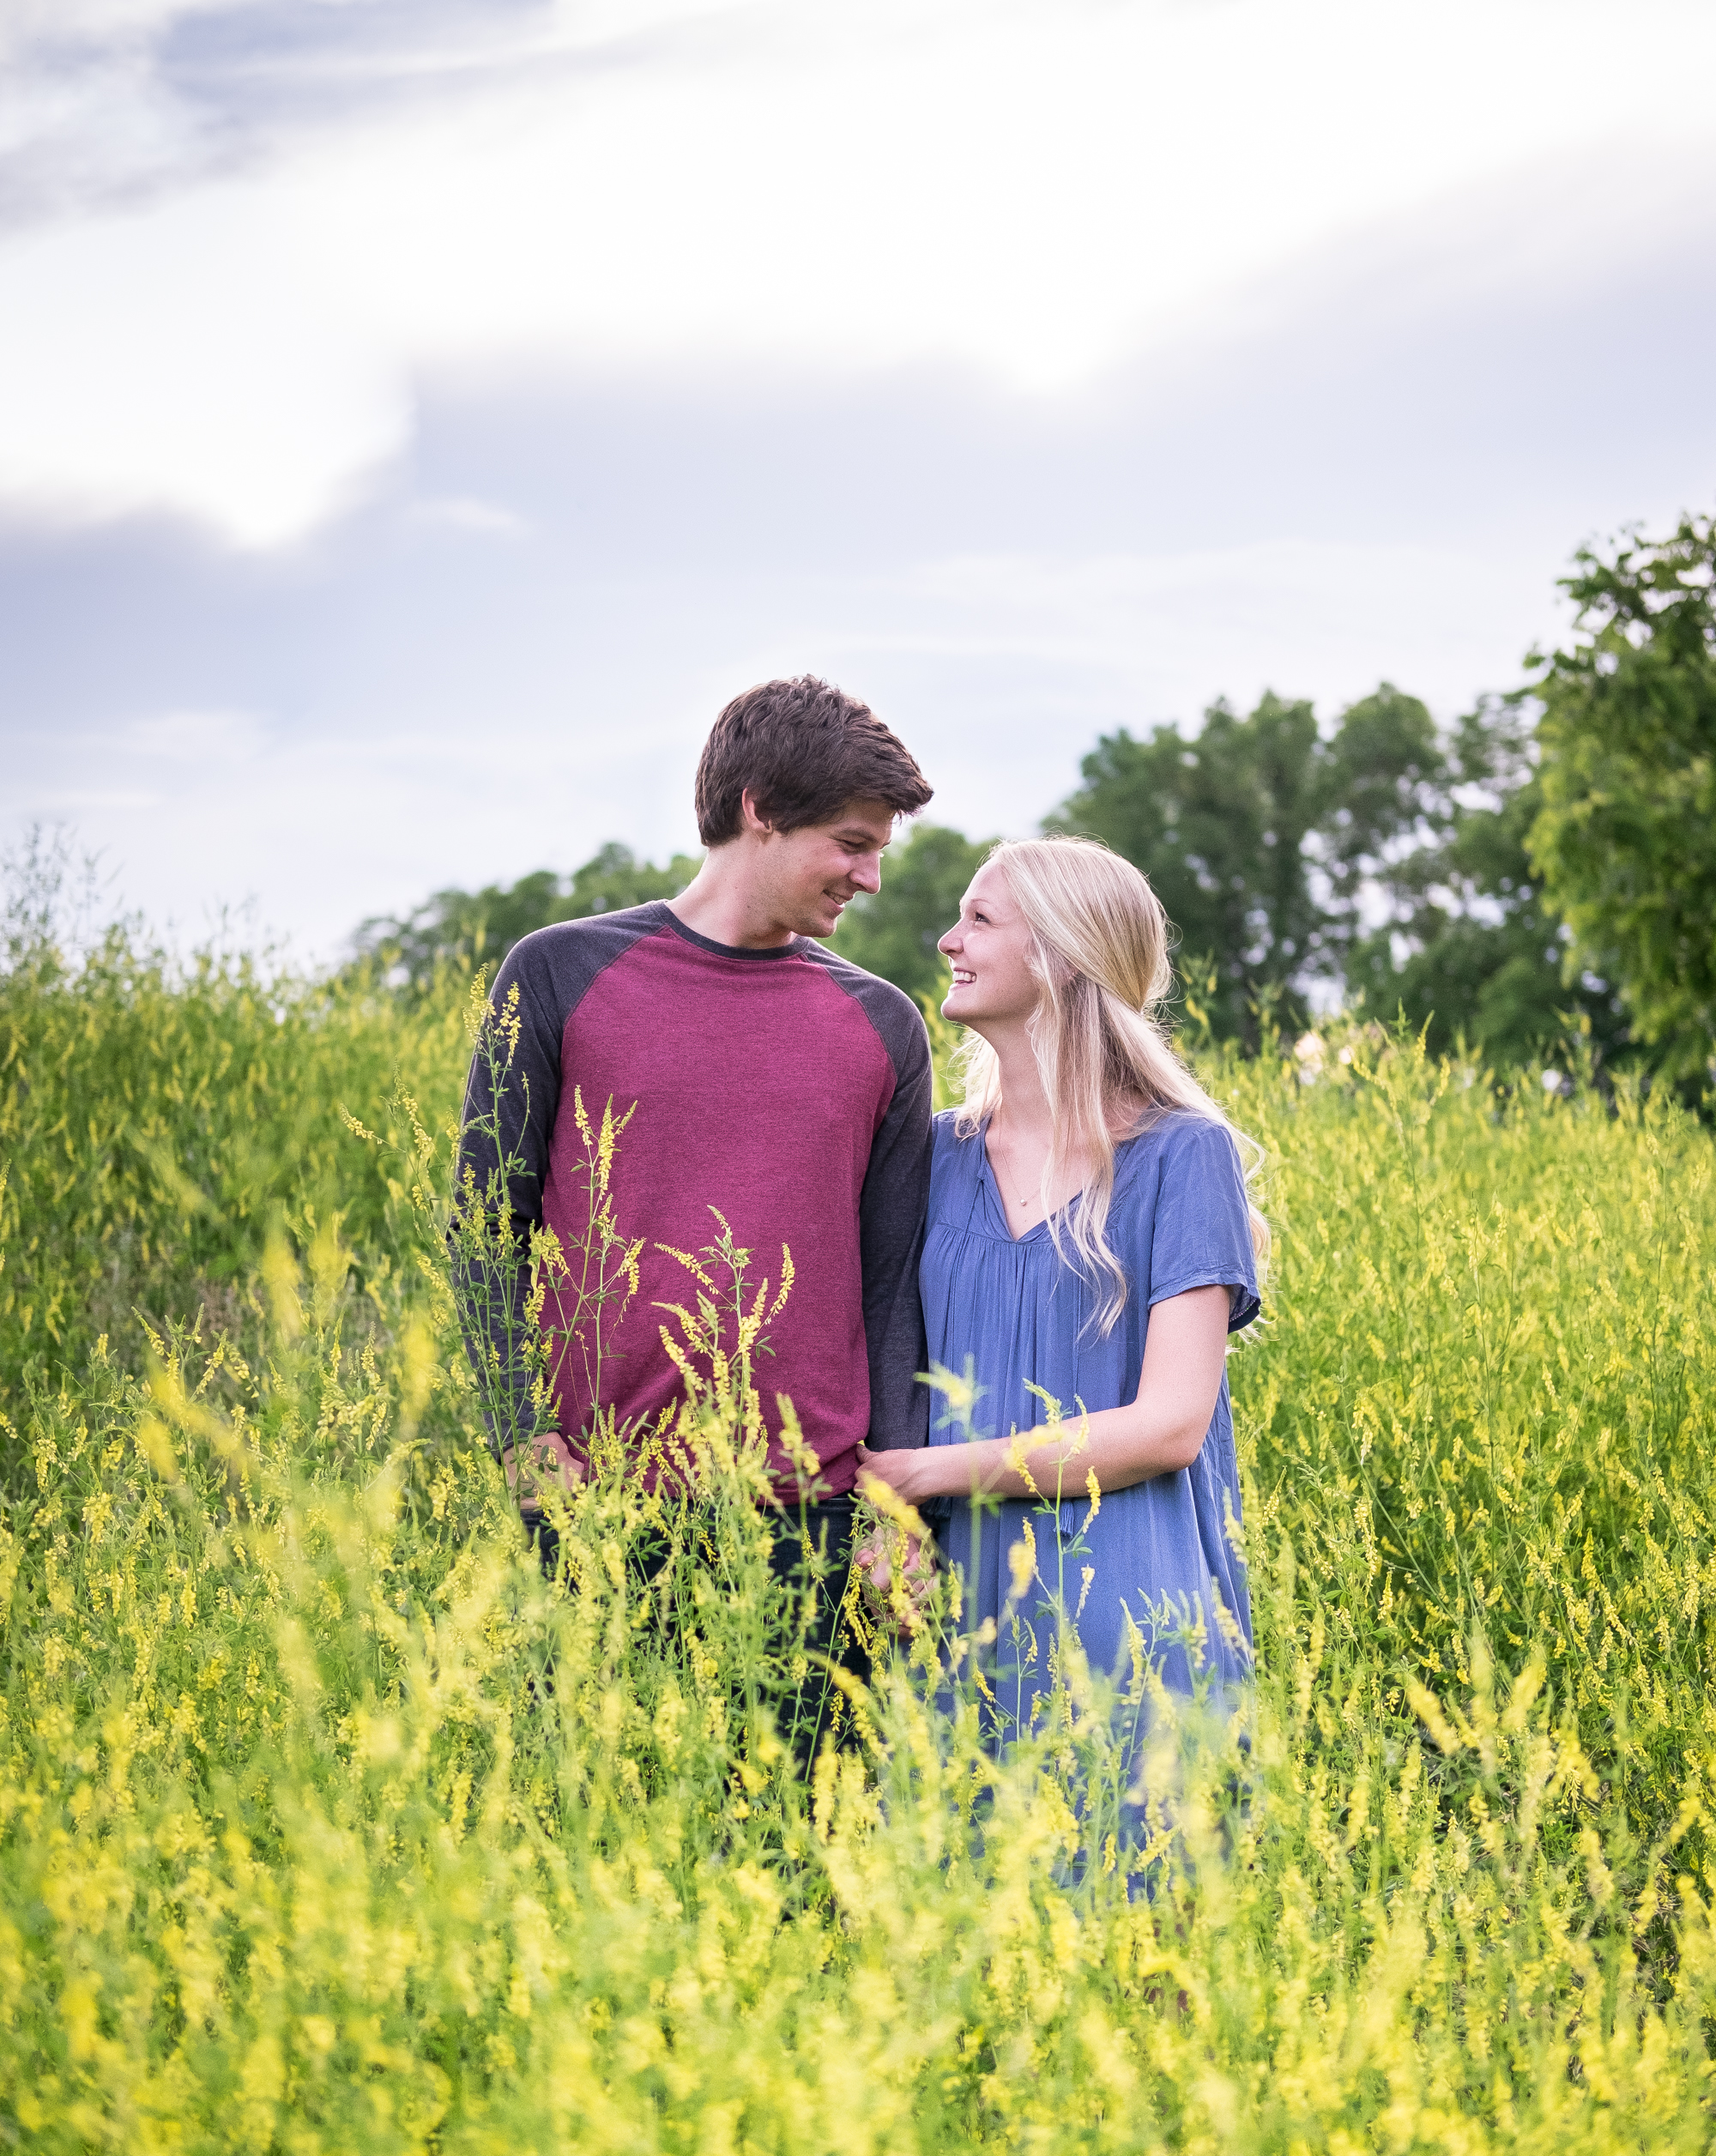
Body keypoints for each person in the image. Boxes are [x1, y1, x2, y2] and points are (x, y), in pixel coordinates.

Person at [450, 673, 936, 1731]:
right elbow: (484, 1228)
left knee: (805, 1830)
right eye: (852, 844)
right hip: (596, 1507)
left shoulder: (884, 1026)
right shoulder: (557, 973)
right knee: (596, 1819)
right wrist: (521, 1433)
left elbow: (891, 1285)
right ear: (760, 809)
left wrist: (892, 1505)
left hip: (810, 1526)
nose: (870, 877)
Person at [859, 835, 1265, 1743]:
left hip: (1127, 1615)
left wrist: (924, 1474)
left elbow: (1169, 1426)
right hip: (948, 1619)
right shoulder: (930, 1154)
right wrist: (887, 1519)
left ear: (1062, 955)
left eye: (979, 919)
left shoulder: (1180, 1154)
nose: (948, 941)